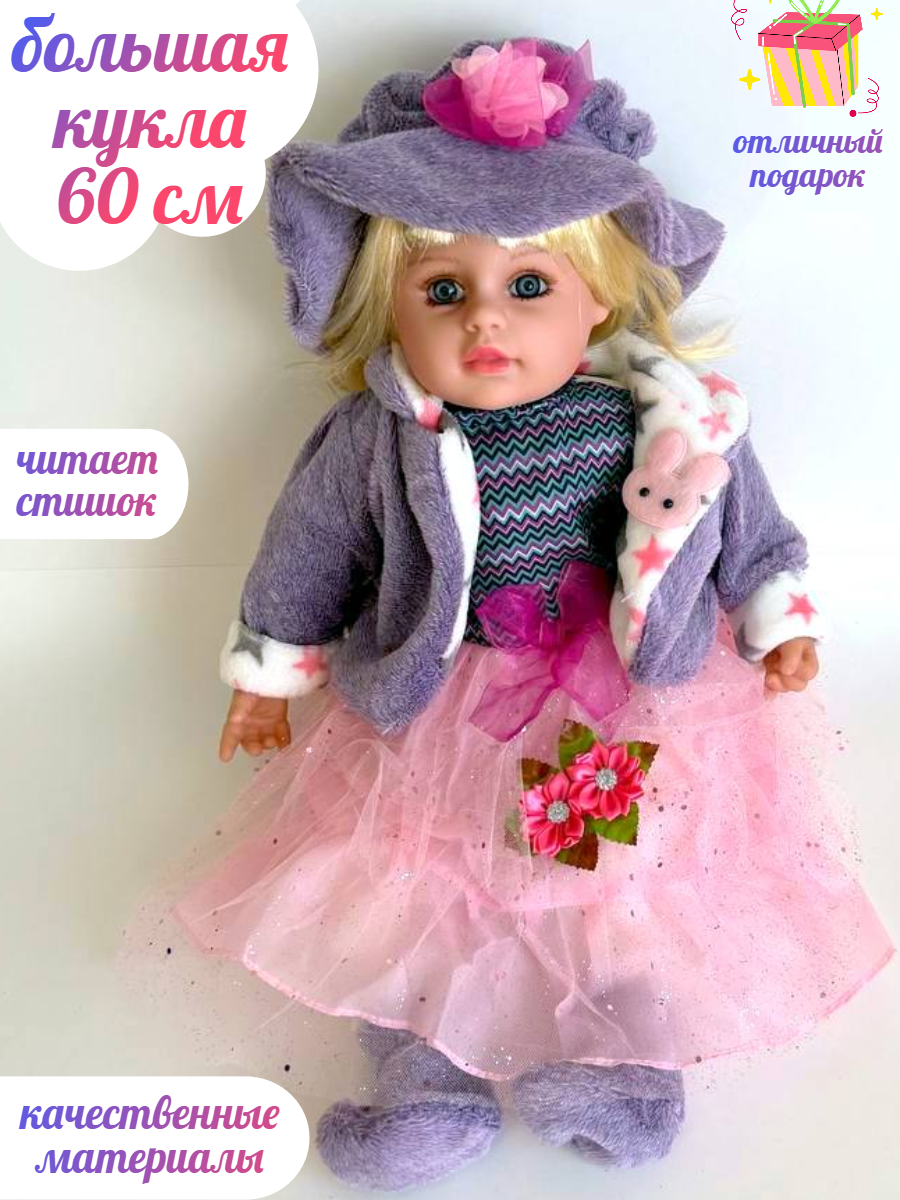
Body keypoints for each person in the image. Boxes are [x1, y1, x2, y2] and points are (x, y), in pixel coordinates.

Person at [172, 37, 896, 1191]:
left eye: (528, 287)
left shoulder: (664, 418)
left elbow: (744, 523)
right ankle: (424, 1065)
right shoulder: (380, 437)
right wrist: (271, 672)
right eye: (442, 291)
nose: (484, 323)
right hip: (443, 697)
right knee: (425, 881)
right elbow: (308, 551)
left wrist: (778, 618)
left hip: (626, 694)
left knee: (616, 878)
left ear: (597, 297)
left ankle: (606, 1054)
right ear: (387, 303)